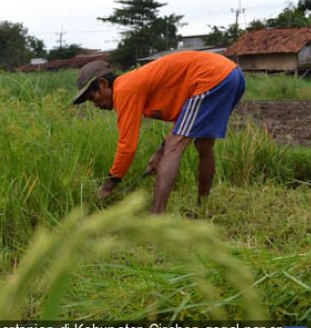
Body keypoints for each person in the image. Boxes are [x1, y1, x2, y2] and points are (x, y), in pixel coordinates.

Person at [72, 51, 245, 213]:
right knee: (204, 144)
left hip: (212, 77)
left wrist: (108, 186)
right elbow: (184, 119)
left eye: (92, 98)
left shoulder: (124, 89)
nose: (96, 105)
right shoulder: (134, 83)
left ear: (103, 84)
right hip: (231, 75)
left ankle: (157, 215)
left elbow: (127, 146)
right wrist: (158, 154)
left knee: (174, 148)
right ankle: (203, 207)